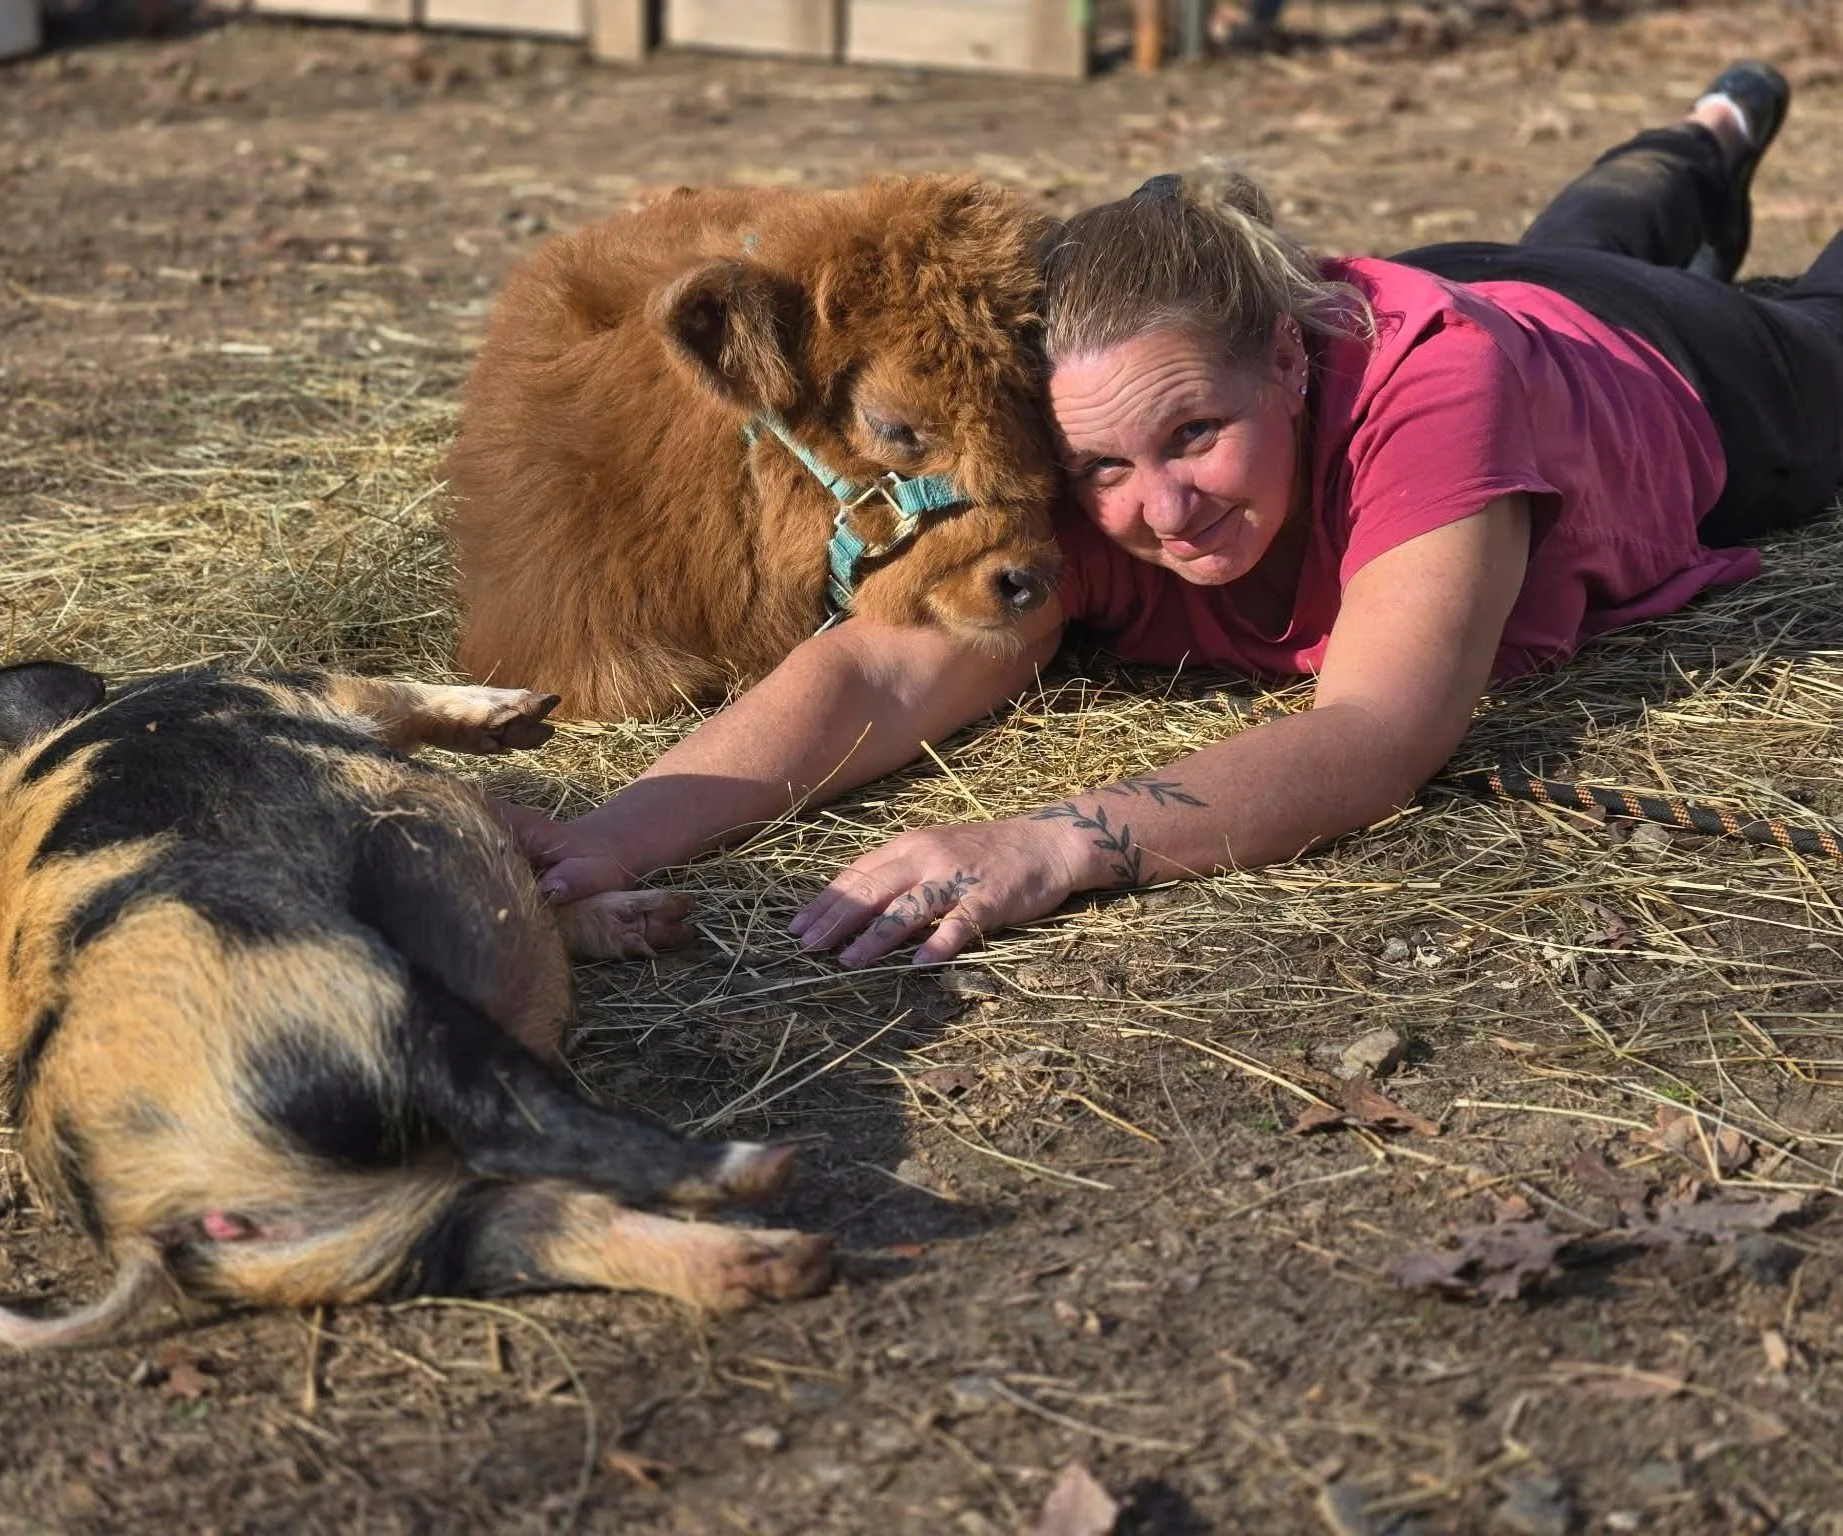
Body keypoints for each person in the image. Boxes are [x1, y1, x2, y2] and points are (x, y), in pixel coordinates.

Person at [512, 62, 1842, 971]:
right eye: (1104, 469)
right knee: (1583, 229)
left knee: (1796, 320)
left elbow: (1379, 733)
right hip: (1490, 279)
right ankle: (1708, 138)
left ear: (1288, 356)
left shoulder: (1438, 391)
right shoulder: (1082, 435)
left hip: (1661, 371)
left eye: (1193, 437)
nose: (1157, 507)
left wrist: (1050, 842)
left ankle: (1710, 151)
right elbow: (887, 657)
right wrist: (613, 836)